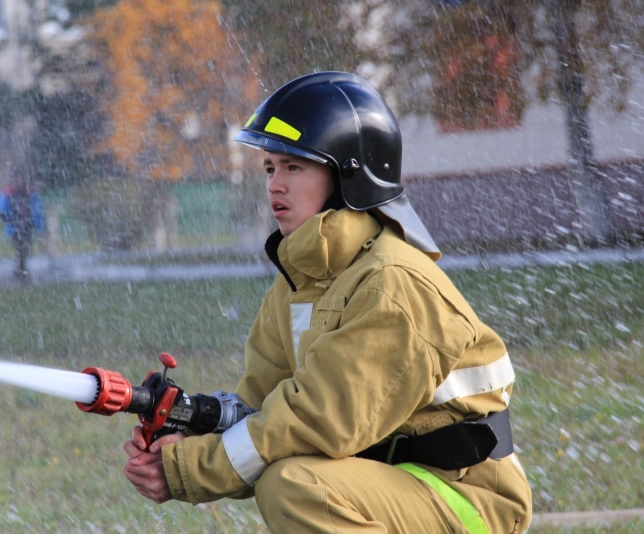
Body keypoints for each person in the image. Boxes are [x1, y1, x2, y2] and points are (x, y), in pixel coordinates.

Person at [123, 71, 532, 533]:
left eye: (294, 167)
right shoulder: (300, 282)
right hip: (388, 482)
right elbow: (262, 412)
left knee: (293, 484)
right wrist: (186, 430)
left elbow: (317, 421)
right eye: (270, 168)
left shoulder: (393, 283)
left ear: (347, 177)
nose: (275, 185)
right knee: (287, 474)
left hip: (466, 498)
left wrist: (189, 470)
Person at [0, 166, 44, 283]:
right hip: (15, 225)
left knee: (25, 247)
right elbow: (2, 206)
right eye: (17, 178)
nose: (19, 180)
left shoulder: (29, 192)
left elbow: (36, 208)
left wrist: (38, 225)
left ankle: (21, 268)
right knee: (20, 246)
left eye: (21, 177)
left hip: (27, 224)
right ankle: (21, 268)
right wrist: (5, 216)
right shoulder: (8, 193)